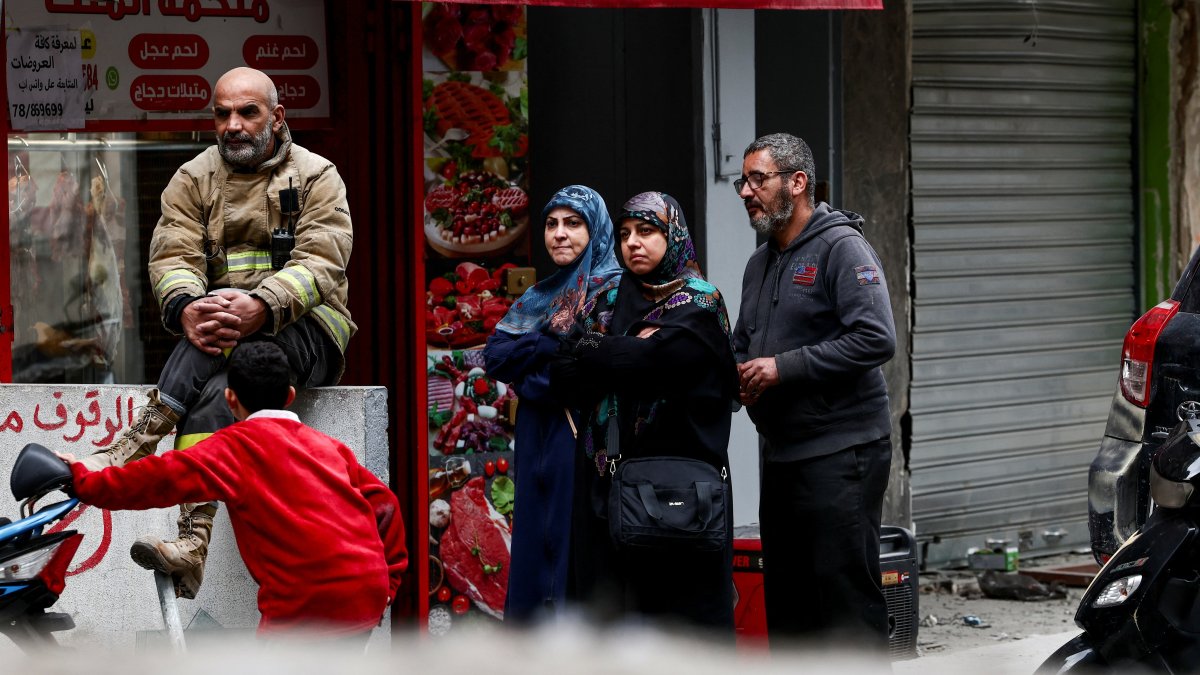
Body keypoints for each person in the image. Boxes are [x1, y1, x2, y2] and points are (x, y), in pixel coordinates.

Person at [79, 66, 355, 599]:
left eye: (247, 112)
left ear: (276, 117)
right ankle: (191, 546)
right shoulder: (192, 178)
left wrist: (262, 304)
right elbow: (173, 255)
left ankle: (142, 438)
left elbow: (324, 259)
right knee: (212, 389)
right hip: (224, 335)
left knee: (224, 349)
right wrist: (186, 306)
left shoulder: (319, 175)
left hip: (308, 327)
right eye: (222, 113)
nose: (233, 124)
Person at [62, 341, 406, 639]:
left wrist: (81, 479)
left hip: (303, 604)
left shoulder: (233, 449)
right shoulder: (329, 447)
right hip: (366, 592)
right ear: (289, 395)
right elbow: (385, 504)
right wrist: (387, 584)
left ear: (230, 399)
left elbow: (156, 479)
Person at [732, 133, 896, 649]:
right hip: (783, 455)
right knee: (790, 605)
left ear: (797, 183)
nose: (745, 190)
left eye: (758, 179)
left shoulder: (841, 248)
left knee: (844, 603)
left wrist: (783, 368)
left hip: (842, 452)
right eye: (743, 180)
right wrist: (737, 372)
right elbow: (744, 341)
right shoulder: (759, 264)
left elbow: (876, 338)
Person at [556, 191, 737, 634]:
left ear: (672, 235)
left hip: (680, 489)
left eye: (647, 231)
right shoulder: (608, 294)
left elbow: (646, 360)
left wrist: (587, 345)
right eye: (625, 234)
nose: (633, 243)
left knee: (683, 624)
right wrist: (617, 354)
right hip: (607, 480)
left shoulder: (700, 304)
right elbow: (563, 372)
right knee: (611, 618)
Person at [482, 185, 622, 624]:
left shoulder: (613, 293)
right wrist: (548, 343)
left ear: (596, 229)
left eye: (573, 223)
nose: (560, 234)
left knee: (570, 550)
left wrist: (535, 364)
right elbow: (494, 356)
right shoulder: (540, 296)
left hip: (582, 439)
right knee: (531, 547)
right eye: (551, 224)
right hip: (535, 437)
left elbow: (578, 376)